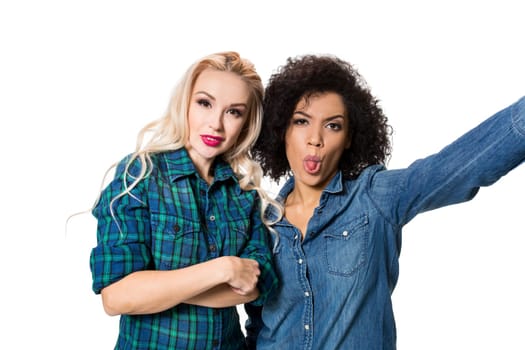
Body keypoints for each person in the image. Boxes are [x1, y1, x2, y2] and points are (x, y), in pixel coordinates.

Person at [245, 54, 525, 349]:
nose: (315, 139)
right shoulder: (262, 222)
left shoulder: (374, 197)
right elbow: (257, 324)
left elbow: (457, 169)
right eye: (301, 121)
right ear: (282, 130)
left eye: (333, 126)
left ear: (350, 137)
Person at [89, 51, 280, 349]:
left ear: (246, 122)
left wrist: (156, 288)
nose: (216, 124)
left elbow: (257, 285)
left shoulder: (244, 194)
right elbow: (117, 297)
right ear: (185, 104)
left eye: (234, 112)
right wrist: (223, 269)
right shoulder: (140, 175)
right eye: (205, 103)